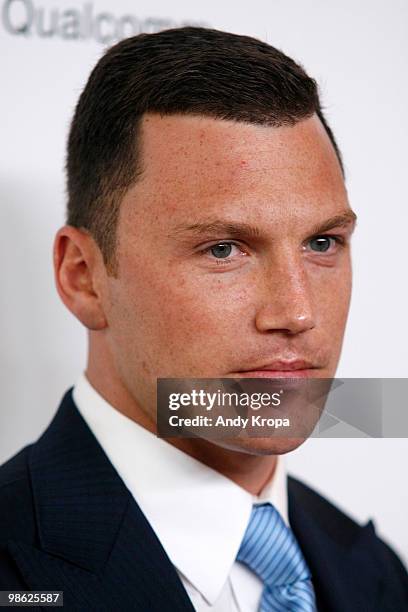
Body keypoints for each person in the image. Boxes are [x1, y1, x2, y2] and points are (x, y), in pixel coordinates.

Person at [0, 26, 406, 611]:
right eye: (223, 249)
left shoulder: (375, 571)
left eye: (321, 242)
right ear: (82, 277)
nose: (297, 311)